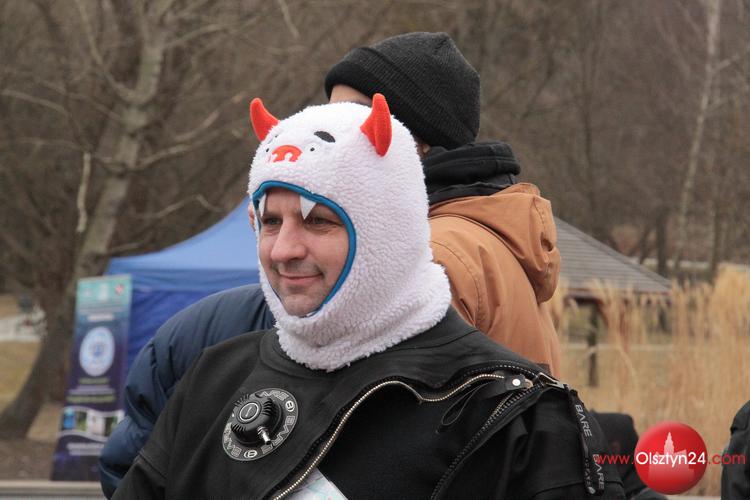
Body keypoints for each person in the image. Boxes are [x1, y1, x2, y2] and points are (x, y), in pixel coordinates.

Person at [100, 32, 562, 496]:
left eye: (354, 116)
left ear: (412, 143)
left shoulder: (435, 253)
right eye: (270, 221)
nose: (285, 249)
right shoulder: (488, 234)